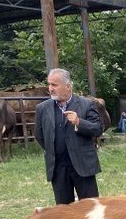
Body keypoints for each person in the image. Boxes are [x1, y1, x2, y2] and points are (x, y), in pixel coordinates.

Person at [34, 68, 105, 204]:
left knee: (90, 208)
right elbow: (39, 135)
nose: (50, 88)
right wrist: (54, 150)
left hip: (83, 164)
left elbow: (98, 129)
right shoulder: (42, 108)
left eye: (54, 85)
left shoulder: (86, 104)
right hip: (58, 167)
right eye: (49, 84)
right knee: (63, 211)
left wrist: (79, 122)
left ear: (67, 87)